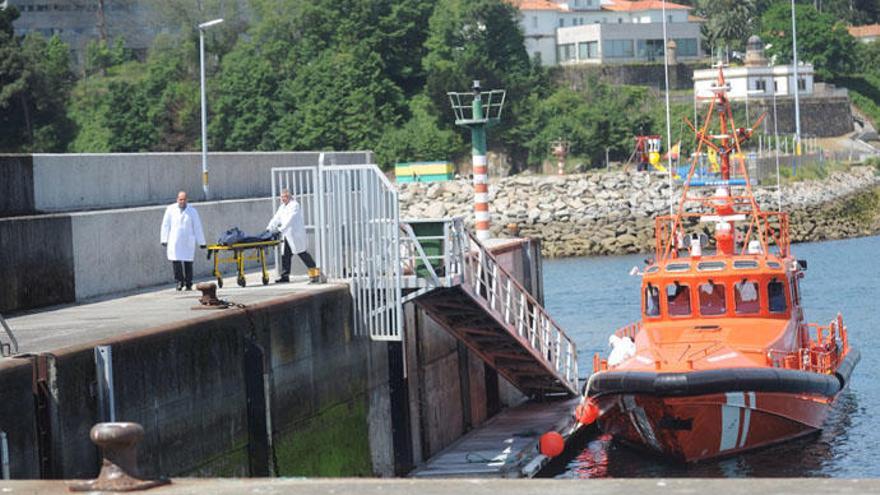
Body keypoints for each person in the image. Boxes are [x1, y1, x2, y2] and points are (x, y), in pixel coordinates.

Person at [267, 188, 322, 283]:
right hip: (286, 235)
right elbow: (276, 218)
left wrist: (280, 229)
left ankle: (315, 275)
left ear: (289, 196)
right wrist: (269, 228)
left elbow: (290, 219)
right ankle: (285, 276)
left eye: (284, 197)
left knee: (303, 254)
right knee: (285, 256)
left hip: (295, 235)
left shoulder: (295, 205)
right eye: (282, 197)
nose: (282, 199)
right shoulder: (282, 207)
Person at [160, 191, 206, 291]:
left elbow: (197, 227)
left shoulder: (192, 211)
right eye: (180, 199)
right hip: (175, 240)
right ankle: (179, 282)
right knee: (176, 261)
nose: (182, 201)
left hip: (187, 240)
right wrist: (164, 238)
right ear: (177, 199)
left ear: (187, 200)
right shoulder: (170, 209)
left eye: (184, 199)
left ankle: (188, 282)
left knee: (188, 262)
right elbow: (165, 225)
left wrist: (201, 242)